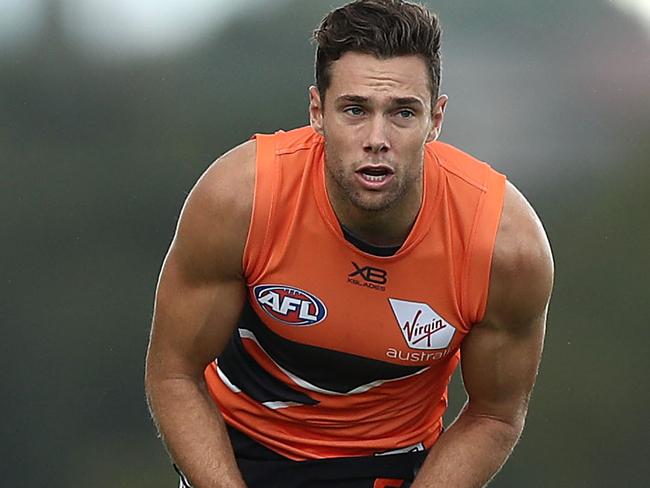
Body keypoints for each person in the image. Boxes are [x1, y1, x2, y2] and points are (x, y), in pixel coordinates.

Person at [145, 1, 554, 486]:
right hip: (238, 452)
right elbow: (173, 375)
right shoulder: (242, 199)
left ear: (436, 119)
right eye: (355, 110)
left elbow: (494, 415)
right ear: (318, 112)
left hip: (390, 466)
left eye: (403, 112)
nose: (376, 138)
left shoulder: (505, 247)